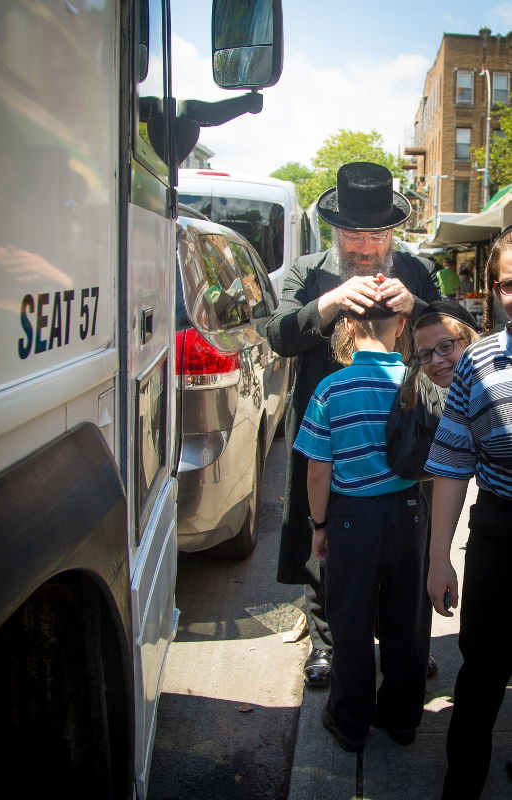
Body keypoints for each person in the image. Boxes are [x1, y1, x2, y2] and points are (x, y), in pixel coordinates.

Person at [266, 161, 440, 686]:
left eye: (377, 235)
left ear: (392, 232)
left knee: (406, 538)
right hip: (328, 429)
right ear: (335, 230)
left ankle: (406, 644)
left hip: (404, 428)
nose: (365, 248)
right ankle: (329, 642)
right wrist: (329, 303)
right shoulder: (308, 270)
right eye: (353, 235)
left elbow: (451, 330)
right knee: (321, 536)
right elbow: (276, 333)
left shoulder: (413, 269)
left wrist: (420, 308)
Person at [293, 302, 431, 751]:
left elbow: (318, 469)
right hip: (409, 512)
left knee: (349, 620)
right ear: (403, 326)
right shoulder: (417, 383)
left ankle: (351, 721)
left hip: (352, 518)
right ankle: (403, 718)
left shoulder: (331, 389)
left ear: (349, 326)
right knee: (406, 616)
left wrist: (319, 525)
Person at [425, 225, 512, 799]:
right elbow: (452, 466)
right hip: (501, 537)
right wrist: (438, 559)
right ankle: (463, 785)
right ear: (495, 290)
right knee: (481, 673)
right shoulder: (478, 364)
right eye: (511, 283)